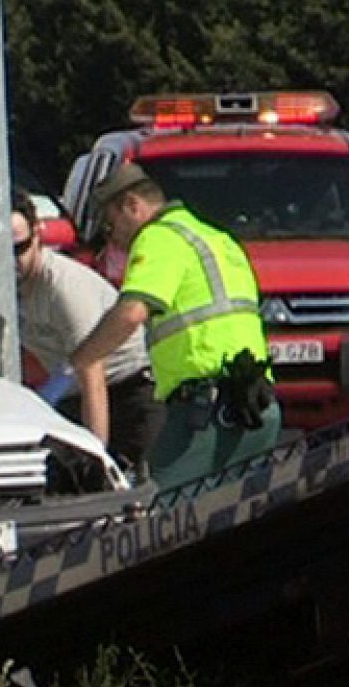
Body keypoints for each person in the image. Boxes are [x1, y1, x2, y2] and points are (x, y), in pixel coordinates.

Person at [70, 162, 281, 490]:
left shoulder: (158, 237)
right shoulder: (217, 239)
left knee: (162, 517)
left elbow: (131, 312)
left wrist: (83, 357)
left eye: (111, 226)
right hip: (257, 404)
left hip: (206, 411)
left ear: (132, 206)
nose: (113, 240)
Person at [11, 189, 164, 470]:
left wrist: (97, 459)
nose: (11, 261)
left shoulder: (61, 286)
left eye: (19, 248)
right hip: (77, 395)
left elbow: (91, 368)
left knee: (117, 492)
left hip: (129, 392)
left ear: (38, 234)